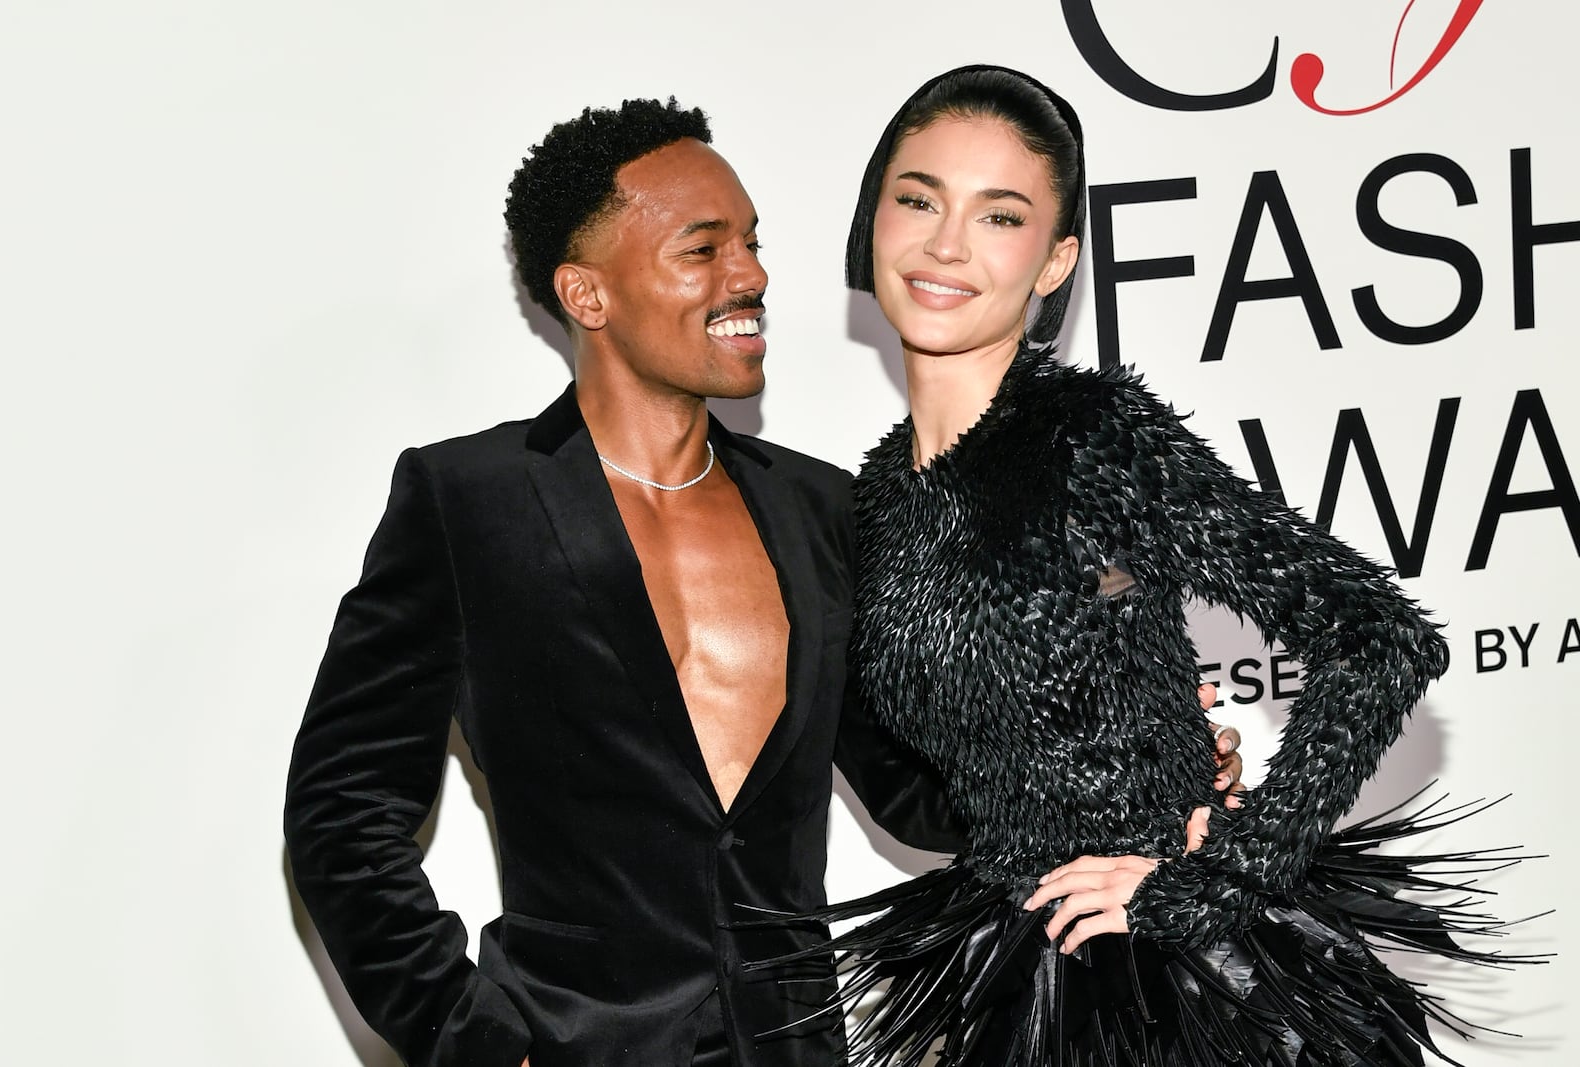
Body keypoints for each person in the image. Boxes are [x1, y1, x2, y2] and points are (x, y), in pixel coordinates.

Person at [282, 97, 1244, 1067]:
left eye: (750, 242)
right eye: (702, 251)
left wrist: (1128, 771)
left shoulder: (823, 509)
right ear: (588, 294)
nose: (751, 275)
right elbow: (340, 814)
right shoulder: (468, 502)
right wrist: (475, 1041)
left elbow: (915, 786)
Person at [755, 65, 1525, 1066]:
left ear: (1052, 260)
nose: (945, 243)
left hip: (1178, 982)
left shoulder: (1091, 439)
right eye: (917, 199)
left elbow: (1380, 637)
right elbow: (954, 774)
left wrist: (1224, 875)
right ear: (871, 222)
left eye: (999, 216)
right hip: (1017, 972)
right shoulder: (876, 498)